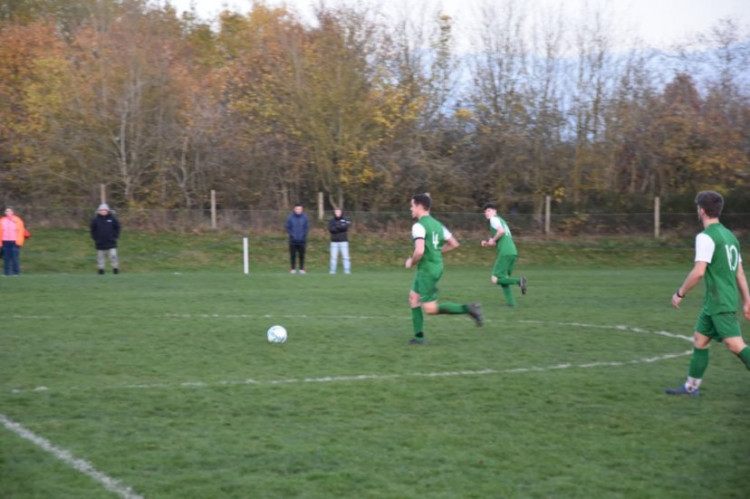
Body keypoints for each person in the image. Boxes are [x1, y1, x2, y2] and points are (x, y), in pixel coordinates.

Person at [667, 190, 750, 396]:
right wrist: (747, 301)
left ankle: (691, 387)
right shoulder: (729, 236)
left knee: (735, 345)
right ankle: (690, 388)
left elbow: (698, 272)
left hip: (721, 301)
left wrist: (680, 293)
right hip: (713, 303)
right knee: (700, 340)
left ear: (702, 211)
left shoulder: (706, 237)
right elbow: (739, 272)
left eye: (697, 207)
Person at [405, 193, 482, 345]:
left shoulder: (418, 226)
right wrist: (437, 251)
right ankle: (419, 337)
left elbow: (419, 251)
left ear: (420, 206)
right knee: (414, 297)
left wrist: (410, 262)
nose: (410, 209)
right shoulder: (438, 225)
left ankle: (468, 308)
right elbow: (454, 243)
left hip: (427, 269)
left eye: (412, 205)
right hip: (435, 266)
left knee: (430, 309)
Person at [481, 202, 526, 307]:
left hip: (505, 252)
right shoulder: (501, 221)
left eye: (489, 210)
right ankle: (511, 304)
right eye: (485, 212)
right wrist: (488, 242)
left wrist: (492, 239)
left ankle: (519, 281)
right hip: (512, 252)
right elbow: (499, 237)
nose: (487, 213)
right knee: (503, 279)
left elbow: (500, 232)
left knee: (495, 278)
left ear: (494, 211)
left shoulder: (494, 219)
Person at [90, 203, 121, 275]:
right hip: (100, 242)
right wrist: (95, 238)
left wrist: (115, 236)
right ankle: (101, 270)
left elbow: (117, 228)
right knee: (100, 257)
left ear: (108, 211)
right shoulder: (95, 220)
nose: (103, 211)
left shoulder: (112, 219)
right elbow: (92, 230)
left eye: (105, 210)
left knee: (113, 256)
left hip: (111, 242)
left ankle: (115, 269)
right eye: (102, 210)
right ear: (99, 211)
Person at [0, 207, 28, 276]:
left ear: (12, 212)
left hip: (14, 241)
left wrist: (20, 241)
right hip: (5, 241)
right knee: (6, 257)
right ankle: (6, 273)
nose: (8, 213)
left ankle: (16, 272)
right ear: (5, 213)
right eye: (6, 211)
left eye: (9, 211)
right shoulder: (2, 220)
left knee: (14, 257)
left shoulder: (17, 220)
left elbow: (21, 231)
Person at [285, 203, 309, 274]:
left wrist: (303, 235)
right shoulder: (290, 217)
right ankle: (292, 269)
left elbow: (306, 227)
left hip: (302, 240)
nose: (298, 210)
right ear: (294, 209)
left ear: (302, 210)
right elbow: (288, 227)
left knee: (302, 255)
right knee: (293, 255)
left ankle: (302, 269)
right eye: (297, 209)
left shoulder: (305, 217)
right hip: (292, 240)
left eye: (300, 209)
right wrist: (292, 235)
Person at [328, 208, 351, 274]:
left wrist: (337, 227)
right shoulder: (331, 221)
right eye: (336, 212)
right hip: (334, 242)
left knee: (346, 257)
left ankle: (347, 271)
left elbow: (345, 227)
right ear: (334, 213)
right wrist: (339, 227)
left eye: (339, 212)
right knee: (333, 257)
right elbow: (331, 229)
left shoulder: (345, 220)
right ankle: (332, 271)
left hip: (343, 241)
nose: (337, 213)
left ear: (341, 212)